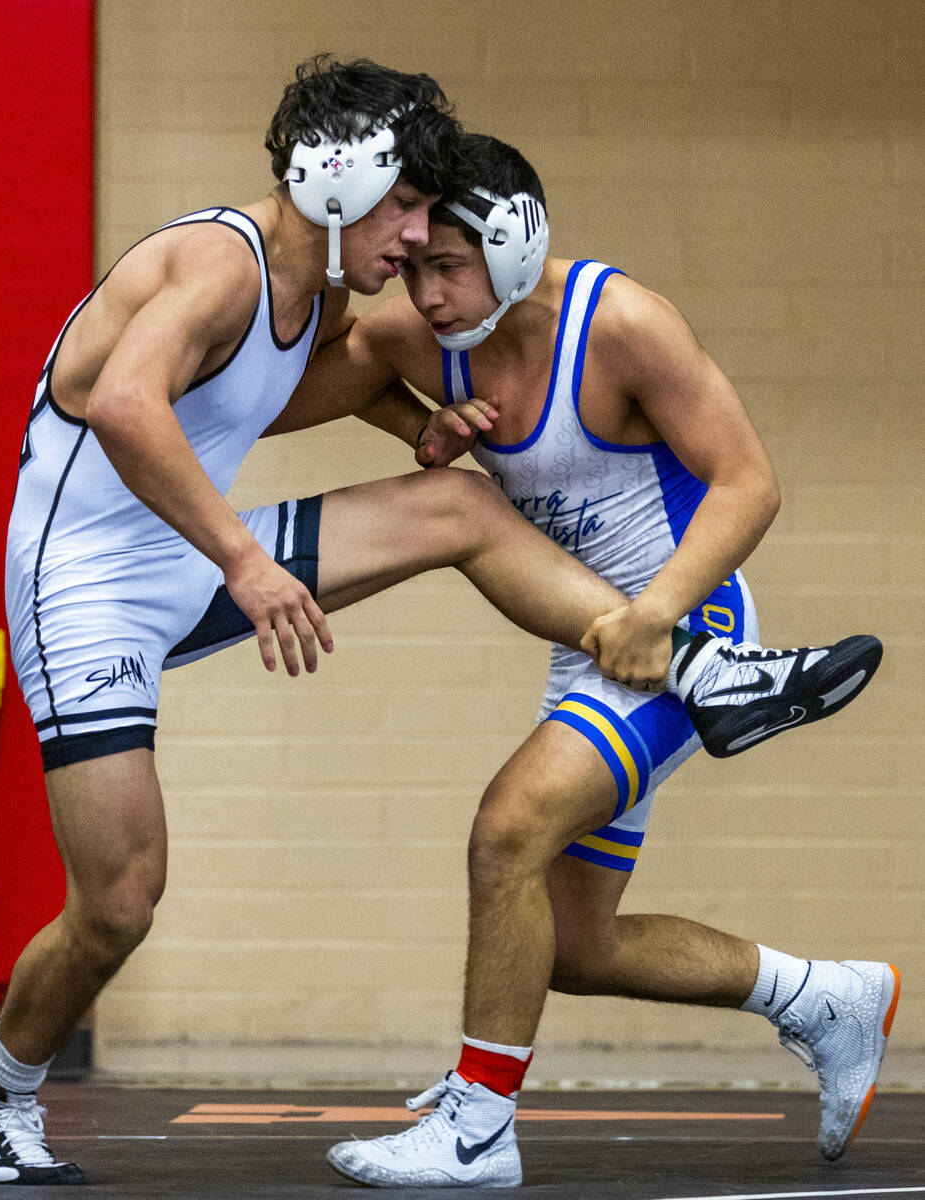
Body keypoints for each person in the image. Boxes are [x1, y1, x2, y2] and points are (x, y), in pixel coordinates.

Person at [0, 59, 879, 1185]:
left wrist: (418, 430)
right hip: (84, 583)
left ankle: (700, 675)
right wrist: (245, 558)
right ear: (338, 184)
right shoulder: (215, 264)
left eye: (440, 243)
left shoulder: (334, 297)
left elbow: (296, 388)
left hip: (198, 553)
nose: (414, 257)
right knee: (122, 899)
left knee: (458, 513)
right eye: (405, 221)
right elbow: (130, 404)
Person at [267, 134, 895, 1189]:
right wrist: (420, 426)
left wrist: (659, 615)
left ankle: (477, 1125)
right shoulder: (425, 341)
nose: (424, 293)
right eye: (412, 265)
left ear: (515, 247)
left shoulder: (622, 324)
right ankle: (823, 997)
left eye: (447, 266)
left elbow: (749, 484)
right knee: (572, 945)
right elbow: (278, 398)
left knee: (506, 829)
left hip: (688, 627)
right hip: (595, 647)